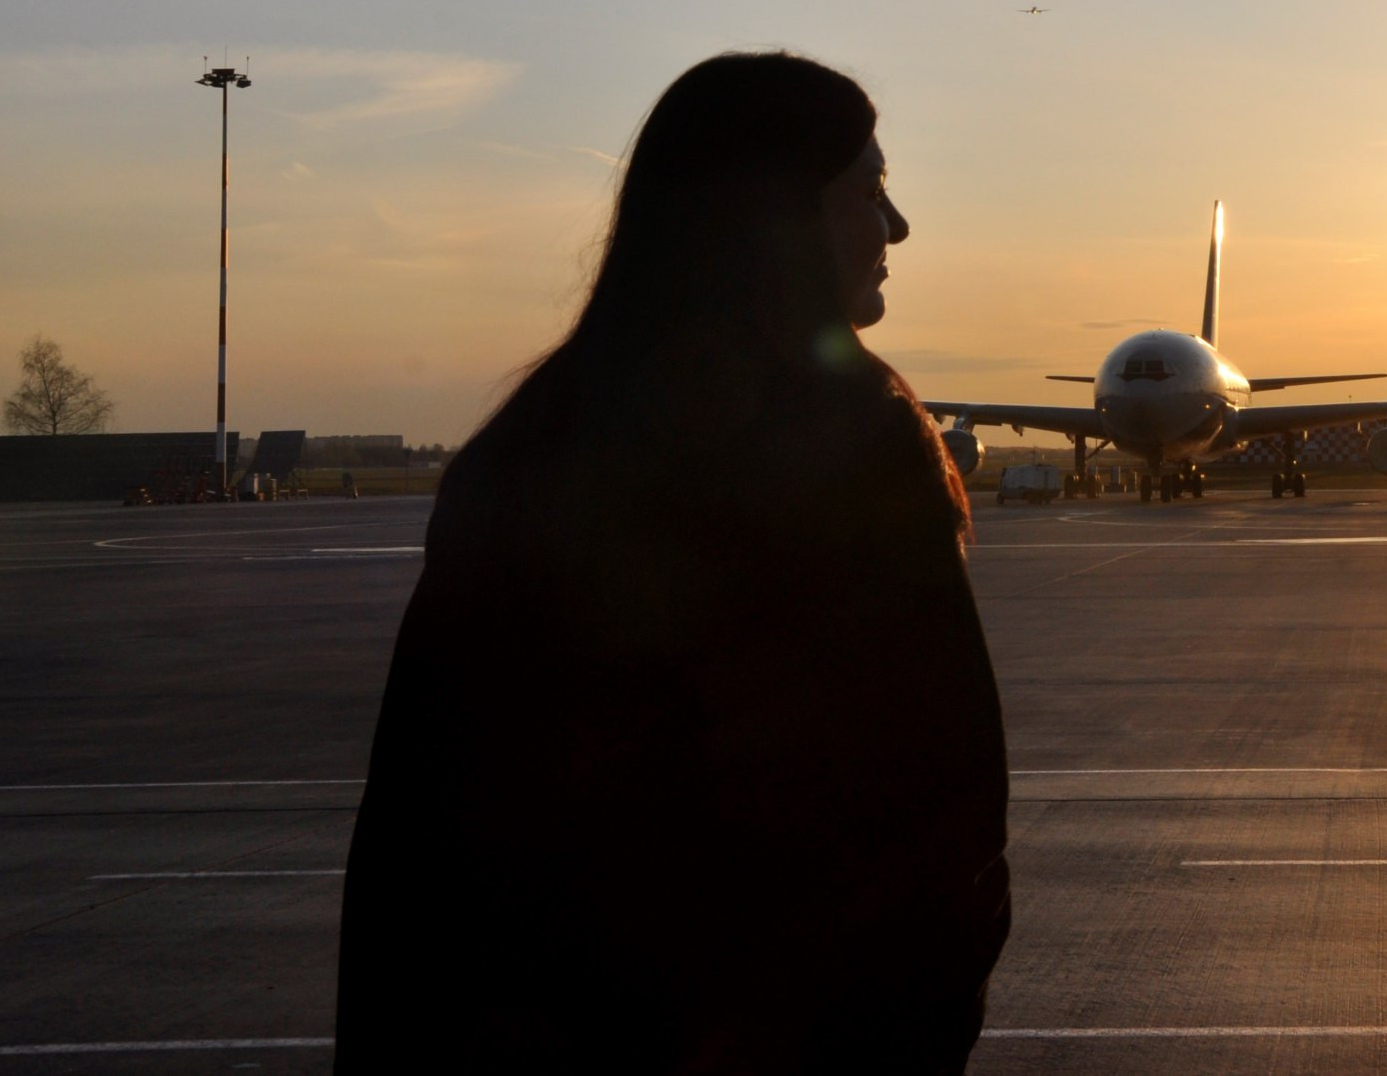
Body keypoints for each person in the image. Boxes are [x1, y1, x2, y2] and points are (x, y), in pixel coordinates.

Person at [336, 53, 1010, 1072]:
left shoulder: (520, 455)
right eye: (868, 191)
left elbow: (414, 851)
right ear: (779, 221)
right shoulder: (853, 448)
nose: (897, 226)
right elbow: (945, 820)